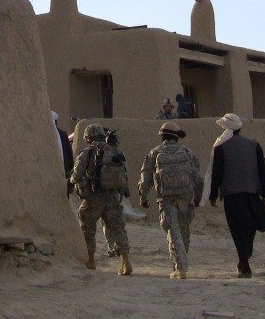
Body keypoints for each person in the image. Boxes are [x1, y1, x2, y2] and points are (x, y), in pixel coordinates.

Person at [207, 113, 265, 278]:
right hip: (252, 193)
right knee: (250, 226)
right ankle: (244, 258)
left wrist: (213, 194)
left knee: (237, 229)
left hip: (232, 196)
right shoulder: (253, 144)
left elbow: (217, 173)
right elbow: (263, 170)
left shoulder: (221, 147)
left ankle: (244, 260)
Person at [139, 122, 203, 279]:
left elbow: (145, 176)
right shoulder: (187, 152)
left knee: (173, 233)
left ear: (161, 136)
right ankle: (181, 264)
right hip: (185, 198)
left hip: (166, 199)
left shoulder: (155, 153)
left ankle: (180, 267)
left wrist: (143, 196)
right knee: (184, 231)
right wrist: (198, 198)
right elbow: (198, 178)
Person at [69, 124, 133, 275]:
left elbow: (77, 175)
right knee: (118, 229)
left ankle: (91, 260)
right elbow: (124, 173)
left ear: (88, 138)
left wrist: (69, 181)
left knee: (88, 228)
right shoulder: (115, 150)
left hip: (94, 197)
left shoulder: (88, 152)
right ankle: (125, 261)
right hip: (113, 197)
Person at [52, 111, 74, 195]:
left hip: (63, 167)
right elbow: (69, 152)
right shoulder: (62, 134)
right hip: (64, 167)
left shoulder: (62, 134)